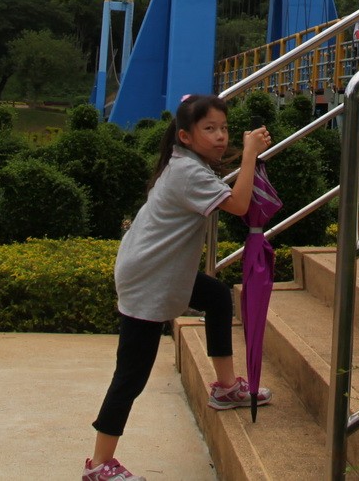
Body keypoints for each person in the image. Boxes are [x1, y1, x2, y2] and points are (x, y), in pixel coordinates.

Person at [84, 94, 273, 481]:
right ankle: (99, 465)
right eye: (209, 129)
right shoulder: (189, 172)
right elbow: (238, 204)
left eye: (223, 127)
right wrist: (250, 151)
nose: (220, 136)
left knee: (218, 297)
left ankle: (224, 387)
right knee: (131, 375)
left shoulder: (187, 163)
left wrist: (247, 153)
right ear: (185, 136)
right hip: (151, 278)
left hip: (159, 269)